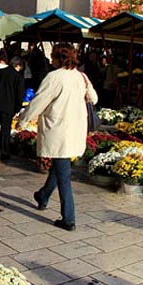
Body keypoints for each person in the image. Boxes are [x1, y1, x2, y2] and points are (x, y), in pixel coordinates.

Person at [20, 44, 97, 231]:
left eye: (53, 56)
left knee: (64, 175)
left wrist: (23, 120)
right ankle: (43, 195)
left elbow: (39, 101)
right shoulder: (81, 77)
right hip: (75, 129)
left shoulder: (54, 77)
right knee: (60, 165)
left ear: (57, 58)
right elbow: (94, 99)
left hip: (58, 129)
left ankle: (68, 218)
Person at [0, 55, 26, 160]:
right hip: (8, 108)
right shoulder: (18, 77)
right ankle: (4, 152)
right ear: (18, 65)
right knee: (5, 131)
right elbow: (20, 95)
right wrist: (17, 109)